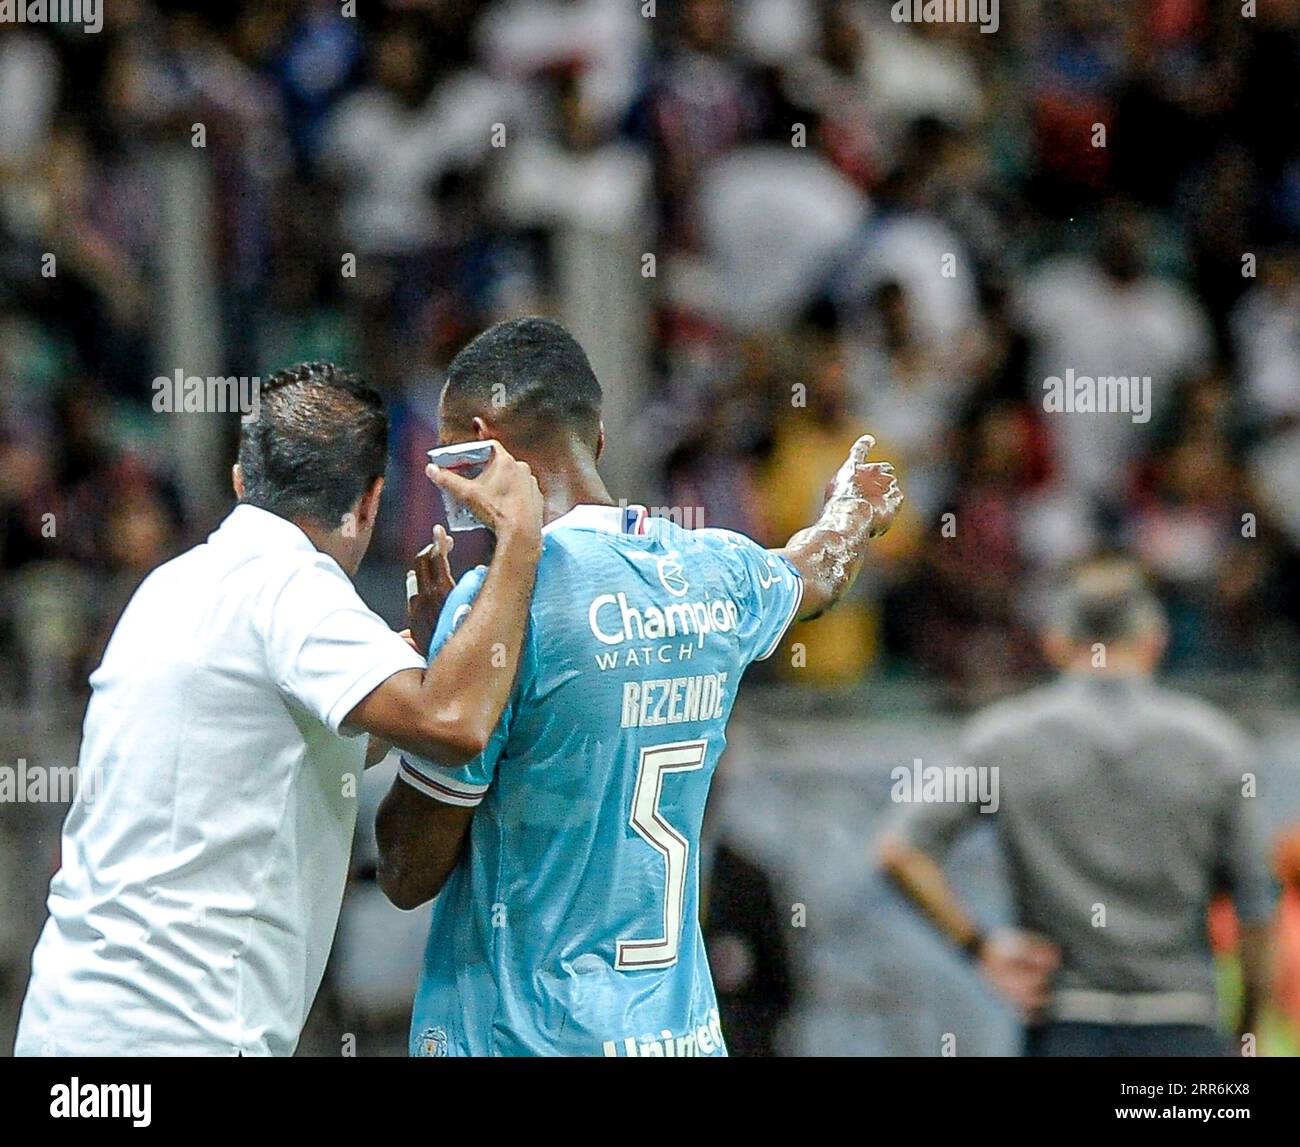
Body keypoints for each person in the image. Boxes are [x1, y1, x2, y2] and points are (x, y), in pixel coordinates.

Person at [375, 316, 903, 1056]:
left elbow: (406, 867)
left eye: (447, 454)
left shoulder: (497, 604)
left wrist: (440, 670)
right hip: (677, 1036)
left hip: (526, 1036)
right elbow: (816, 569)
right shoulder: (716, 570)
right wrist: (854, 509)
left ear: (480, 442)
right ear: (594, 443)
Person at [15, 362, 543, 1057]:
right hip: (176, 1040)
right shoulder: (294, 588)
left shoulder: (170, 587)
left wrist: (427, 655)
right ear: (370, 501)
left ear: (242, 480)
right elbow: (454, 725)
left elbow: (321, 740)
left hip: (67, 1032)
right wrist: (520, 540)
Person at [879, 558, 1277, 1057]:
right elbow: (1257, 905)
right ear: (1155, 642)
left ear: (1056, 643)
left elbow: (900, 851)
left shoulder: (1003, 739)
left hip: (1066, 1024)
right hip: (1184, 1023)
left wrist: (981, 948)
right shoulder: (1217, 746)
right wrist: (1249, 1029)